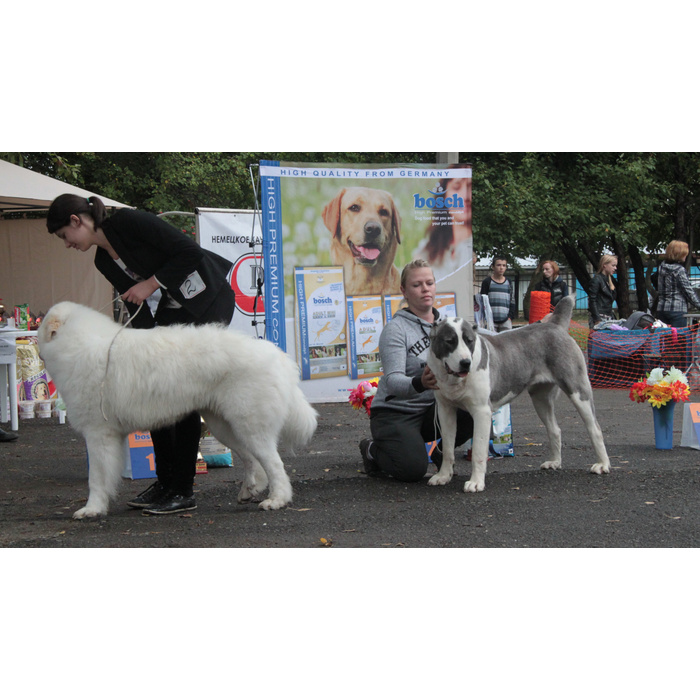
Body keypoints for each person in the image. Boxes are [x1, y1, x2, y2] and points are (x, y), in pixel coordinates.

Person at [46, 194, 236, 515]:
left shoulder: (129, 222)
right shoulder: (103, 261)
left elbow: (188, 251)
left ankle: (182, 488)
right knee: (152, 388)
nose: (67, 244)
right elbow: (138, 308)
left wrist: (151, 283)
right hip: (170, 312)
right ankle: (164, 482)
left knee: (183, 393)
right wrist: (139, 348)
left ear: (77, 221)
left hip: (207, 299)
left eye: (65, 235)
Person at [358, 259, 474, 481]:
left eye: (429, 282)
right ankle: (371, 449)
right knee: (411, 470)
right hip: (395, 413)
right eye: (417, 284)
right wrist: (420, 383)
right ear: (404, 291)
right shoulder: (395, 329)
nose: (425, 289)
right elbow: (392, 381)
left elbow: (483, 338)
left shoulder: (449, 326)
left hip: (433, 409)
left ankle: (440, 452)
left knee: (474, 410)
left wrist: (536, 327)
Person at [412, 166, 473, 280]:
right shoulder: (429, 248)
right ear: (444, 196)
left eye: (470, 188)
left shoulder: (473, 248)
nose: (465, 196)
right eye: (456, 187)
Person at [655, 240, 700, 328]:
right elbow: (688, 291)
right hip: (677, 310)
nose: (686, 256)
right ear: (679, 254)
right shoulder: (679, 270)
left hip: (661, 309)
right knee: (679, 339)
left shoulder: (661, 267)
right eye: (684, 254)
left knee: (665, 339)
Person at [480, 256, 516, 332]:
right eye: (498, 265)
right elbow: (482, 301)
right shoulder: (487, 282)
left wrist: (510, 316)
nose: (501, 268)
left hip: (506, 320)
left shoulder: (508, 282)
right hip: (491, 321)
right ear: (493, 267)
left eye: (504, 265)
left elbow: (512, 300)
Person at [588, 255, 617, 328]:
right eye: (613, 265)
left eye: (615, 266)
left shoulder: (610, 281)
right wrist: (597, 319)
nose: (615, 268)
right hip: (599, 318)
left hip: (608, 317)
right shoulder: (597, 280)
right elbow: (592, 300)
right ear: (604, 265)